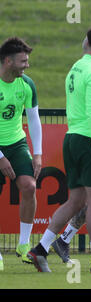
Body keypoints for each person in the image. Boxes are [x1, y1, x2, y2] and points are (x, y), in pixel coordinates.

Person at [27, 23, 91, 274]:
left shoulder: (76, 68)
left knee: (75, 201)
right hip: (86, 141)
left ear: (86, 42)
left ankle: (40, 249)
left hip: (72, 138)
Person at [0, 37, 42, 264]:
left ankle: (24, 245)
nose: (27, 65)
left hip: (16, 144)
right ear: (8, 61)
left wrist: (38, 154)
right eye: (23, 61)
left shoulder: (27, 84)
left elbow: (34, 120)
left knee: (29, 186)